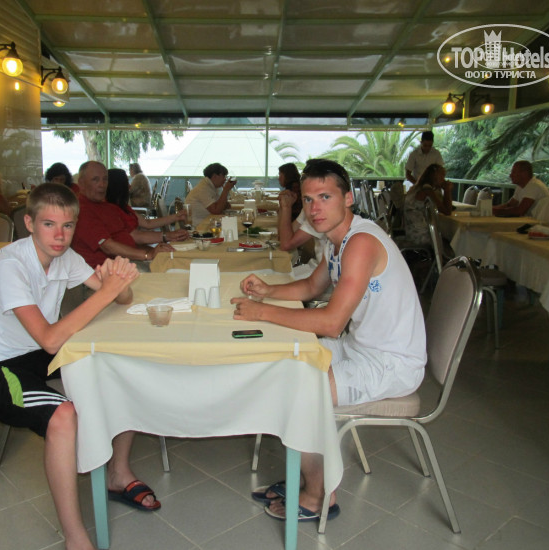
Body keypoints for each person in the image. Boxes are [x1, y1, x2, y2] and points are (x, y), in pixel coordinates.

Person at [0, 183, 159, 550]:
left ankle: (117, 473)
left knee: (122, 369)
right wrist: (107, 291)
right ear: (29, 223)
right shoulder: (10, 267)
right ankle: (75, 537)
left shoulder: (64, 257)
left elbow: (120, 298)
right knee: (63, 416)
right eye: (49, 224)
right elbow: (50, 339)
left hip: (32, 354)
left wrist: (118, 280)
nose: (59, 235)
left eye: (67, 226)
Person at [231, 159, 426, 521]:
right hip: (359, 348)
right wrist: (267, 292)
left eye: (325, 197)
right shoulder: (336, 241)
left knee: (300, 391)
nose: (314, 208)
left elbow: (332, 323)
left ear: (348, 198)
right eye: (308, 199)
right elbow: (311, 286)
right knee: (285, 366)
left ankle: (318, 495)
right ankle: (308, 477)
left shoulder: (361, 242)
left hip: (391, 364)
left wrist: (262, 312)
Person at [72, 161, 184, 267]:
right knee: (174, 267)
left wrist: (167, 237)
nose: (102, 184)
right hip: (108, 270)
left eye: (105, 179)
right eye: (95, 180)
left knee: (178, 261)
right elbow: (108, 246)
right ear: (81, 183)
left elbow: (134, 235)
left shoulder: (109, 207)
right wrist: (148, 255)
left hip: (129, 261)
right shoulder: (82, 210)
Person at [107, 168, 188, 234]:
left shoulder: (124, 208)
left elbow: (147, 223)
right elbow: (137, 236)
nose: (130, 186)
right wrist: (167, 236)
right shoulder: (111, 212)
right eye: (126, 182)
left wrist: (176, 217)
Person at [400, 163, 453, 247]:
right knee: (451, 241)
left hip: (411, 232)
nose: (443, 180)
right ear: (435, 177)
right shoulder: (427, 190)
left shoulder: (418, 188)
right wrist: (447, 190)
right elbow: (447, 211)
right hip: (421, 236)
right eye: (442, 177)